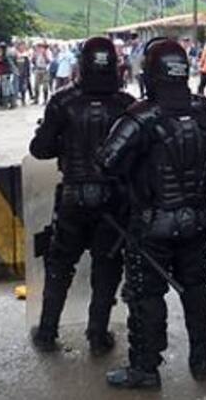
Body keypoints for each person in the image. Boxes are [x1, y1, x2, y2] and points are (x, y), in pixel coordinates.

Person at [97, 38, 206, 389]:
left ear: (151, 73)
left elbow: (107, 162)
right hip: (197, 220)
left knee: (146, 295)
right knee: (195, 288)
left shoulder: (140, 116)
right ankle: (202, 359)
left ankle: (145, 368)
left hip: (151, 225)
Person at [28, 37, 137, 354]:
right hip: (114, 199)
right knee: (107, 265)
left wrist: (62, 138)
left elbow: (40, 149)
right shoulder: (127, 104)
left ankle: (47, 332)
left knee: (60, 264)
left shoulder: (63, 102)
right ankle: (98, 336)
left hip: (73, 195)